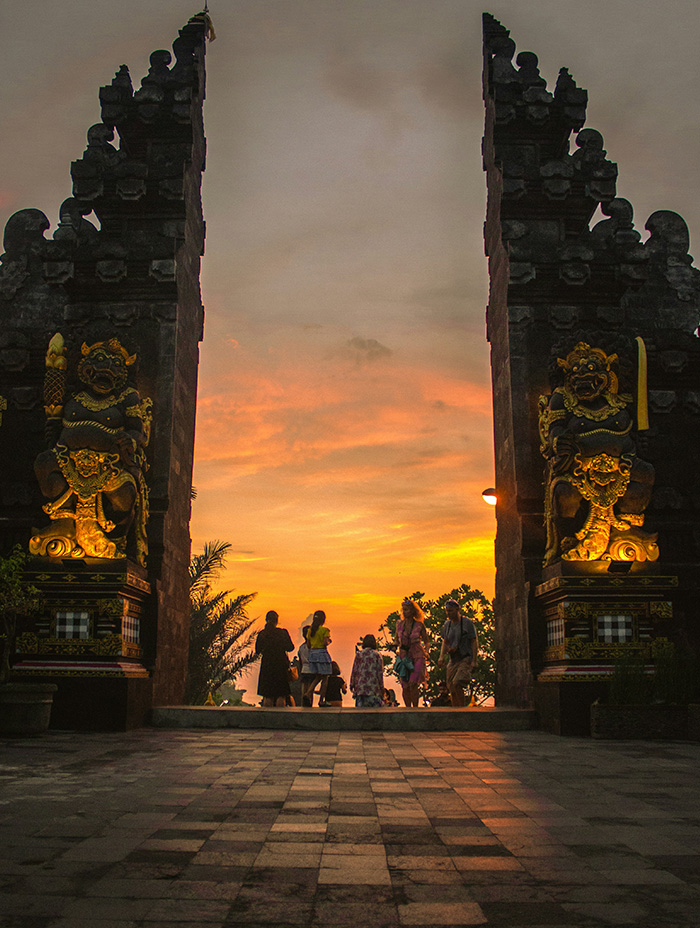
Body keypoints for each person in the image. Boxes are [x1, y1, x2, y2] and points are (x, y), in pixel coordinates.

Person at [438, 599, 478, 707]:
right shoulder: (447, 625)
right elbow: (445, 641)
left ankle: (462, 709)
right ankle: (455, 709)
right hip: (453, 659)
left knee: (457, 683)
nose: (448, 613)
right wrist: (441, 656)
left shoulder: (467, 623)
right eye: (447, 611)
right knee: (451, 686)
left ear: (457, 609)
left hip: (465, 658)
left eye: (450, 611)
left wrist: (474, 660)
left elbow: (474, 641)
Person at [255, 610, 294, 707]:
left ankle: (268, 719)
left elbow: (257, 650)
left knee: (268, 695)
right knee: (281, 694)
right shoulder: (282, 633)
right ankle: (280, 717)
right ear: (277, 621)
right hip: (280, 665)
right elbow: (290, 647)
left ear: (266, 620)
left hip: (267, 666)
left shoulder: (262, 634)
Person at [395, 599, 429, 707]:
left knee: (413, 683)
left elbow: (426, 641)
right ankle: (407, 708)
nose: (404, 612)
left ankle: (415, 707)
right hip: (404, 656)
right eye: (403, 610)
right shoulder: (399, 625)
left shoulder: (419, 625)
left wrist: (427, 652)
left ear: (413, 611)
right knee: (404, 684)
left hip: (417, 655)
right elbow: (396, 640)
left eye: (407, 610)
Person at [303, 610, 332, 705]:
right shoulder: (325, 631)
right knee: (325, 677)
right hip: (322, 654)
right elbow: (325, 643)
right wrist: (329, 641)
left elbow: (308, 644)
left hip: (312, 655)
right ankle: (321, 700)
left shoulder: (310, 631)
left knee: (318, 676)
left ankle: (308, 692)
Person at [350, 634, 385, 707]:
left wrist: (352, 684)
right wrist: (382, 688)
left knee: (360, 716)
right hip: (374, 690)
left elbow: (355, 671)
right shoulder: (377, 655)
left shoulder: (359, 655)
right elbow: (379, 673)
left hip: (361, 690)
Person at [297, 625, 314, 706]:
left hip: (304, 669)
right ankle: (309, 705)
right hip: (312, 669)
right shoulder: (313, 647)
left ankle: (303, 705)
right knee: (310, 690)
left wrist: (300, 672)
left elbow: (300, 662)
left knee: (304, 689)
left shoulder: (301, 648)